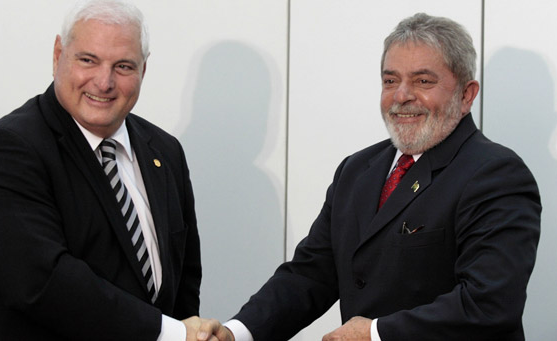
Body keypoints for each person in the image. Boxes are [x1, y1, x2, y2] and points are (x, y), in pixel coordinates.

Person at [196, 12, 541, 341]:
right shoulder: (357, 170)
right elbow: (310, 274)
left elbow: (490, 304)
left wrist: (377, 334)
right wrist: (238, 332)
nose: (402, 96)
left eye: (423, 81)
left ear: (466, 95)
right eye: (391, 80)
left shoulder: (495, 174)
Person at [0, 0, 208, 339]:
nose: (103, 82)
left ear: (143, 71)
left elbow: (184, 279)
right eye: (88, 60)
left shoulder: (164, 151)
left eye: (123, 66)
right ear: (58, 54)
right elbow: (43, 283)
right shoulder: (10, 149)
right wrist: (171, 333)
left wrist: (185, 331)